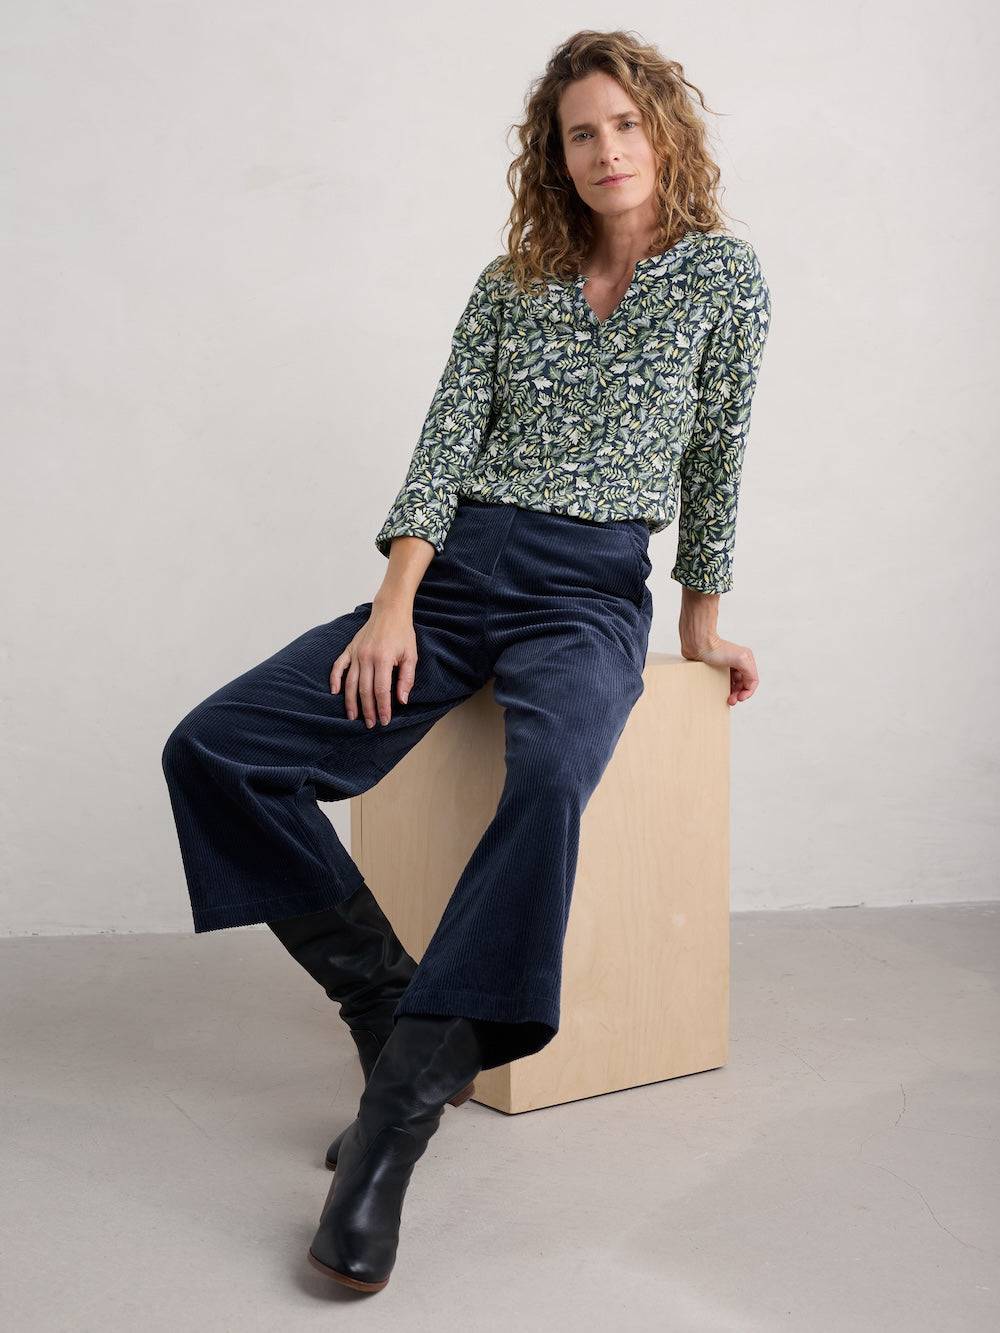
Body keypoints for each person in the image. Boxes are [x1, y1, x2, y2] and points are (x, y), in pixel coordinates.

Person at [160, 28, 772, 1294]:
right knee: (216, 749)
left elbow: (718, 455)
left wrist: (699, 621)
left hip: (585, 591)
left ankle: (395, 1122)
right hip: (451, 577)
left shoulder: (724, 278)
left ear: (664, 131)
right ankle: (386, 1008)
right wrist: (394, 604)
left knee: (549, 776)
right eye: (579, 133)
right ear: (555, 155)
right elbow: (443, 443)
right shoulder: (512, 281)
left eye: (624, 124)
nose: (605, 150)